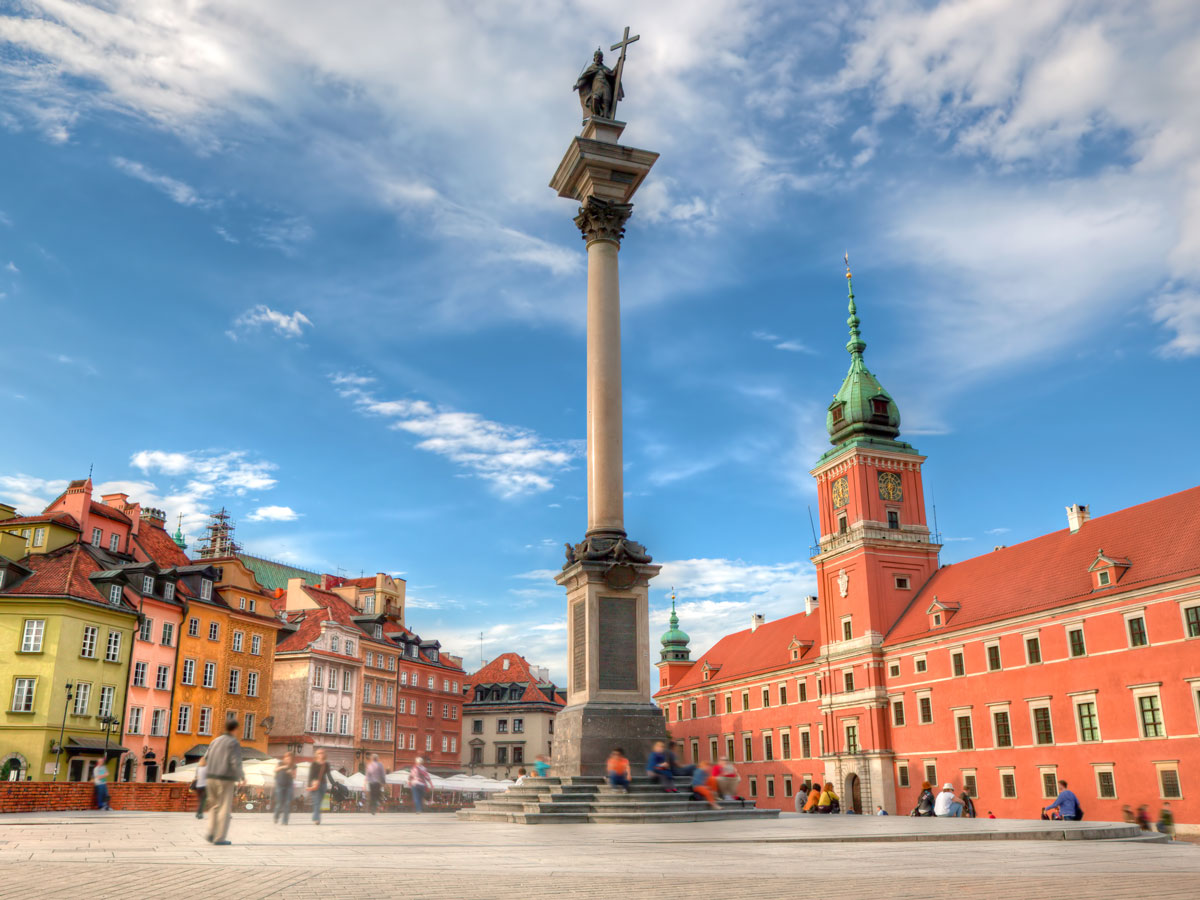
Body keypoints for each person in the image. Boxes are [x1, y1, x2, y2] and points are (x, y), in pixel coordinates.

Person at [204, 717, 245, 845]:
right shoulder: (233, 743)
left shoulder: (215, 741)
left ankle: (211, 832)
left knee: (214, 806)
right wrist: (242, 776)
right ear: (236, 729)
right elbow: (235, 762)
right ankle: (219, 838)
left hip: (210, 777)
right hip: (225, 778)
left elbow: (206, 757)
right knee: (224, 808)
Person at [307, 748, 332, 825]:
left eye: (322, 753)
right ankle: (317, 819)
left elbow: (329, 775)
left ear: (324, 754)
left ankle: (315, 817)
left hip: (323, 785)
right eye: (319, 753)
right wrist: (309, 786)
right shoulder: (314, 764)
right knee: (317, 802)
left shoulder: (326, 764)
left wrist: (335, 784)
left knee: (319, 802)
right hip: (314, 785)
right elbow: (310, 776)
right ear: (316, 755)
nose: (320, 754)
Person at [270, 752, 295, 824]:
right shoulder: (280, 763)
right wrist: (283, 767)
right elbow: (275, 770)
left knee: (287, 802)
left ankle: (285, 821)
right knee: (279, 802)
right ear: (285, 758)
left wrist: (291, 773)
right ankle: (276, 816)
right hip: (279, 784)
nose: (288, 759)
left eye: (290, 758)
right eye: (287, 758)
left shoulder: (293, 765)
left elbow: (294, 776)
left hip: (289, 785)